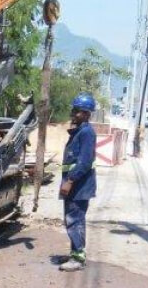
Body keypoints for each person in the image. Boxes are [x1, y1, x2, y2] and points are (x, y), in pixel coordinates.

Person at [58, 92, 98, 272]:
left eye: (78, 111)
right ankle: (76, 253)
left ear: (87, 114)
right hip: (75, 185)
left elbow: (84, 162)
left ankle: (78, 258)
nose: (74, 114)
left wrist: (70, 181)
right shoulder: (80, 131)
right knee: (72, 219)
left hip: (79, 186)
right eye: (73, 110)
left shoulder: (87, 133)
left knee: (75, 220)